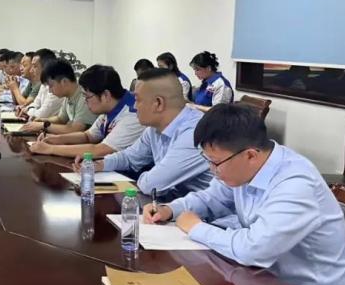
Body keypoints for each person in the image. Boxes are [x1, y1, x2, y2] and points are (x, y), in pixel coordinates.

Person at [143, 104, 345, 285]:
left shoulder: (295, 183)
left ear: (250, 155)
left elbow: (254, 249)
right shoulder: (244, 166)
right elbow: (212, 198)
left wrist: (196, 227)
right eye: (208, 161)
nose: (212, 171)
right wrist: (171, 209)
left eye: (216, 163)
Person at [77, 68, 212, 199]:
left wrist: (143, 178)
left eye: (137, 99)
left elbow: (152, 185)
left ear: (158, 103)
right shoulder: (154, 128)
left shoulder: (195, 132)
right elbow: (130, 157)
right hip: (176, 204)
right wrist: (101, 164)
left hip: (206, 212)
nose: (135, 106)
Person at [30, 65, 144, 159]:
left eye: (87, 97)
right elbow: (88, 136)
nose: (85, 101)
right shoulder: (109, 108)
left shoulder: (132, 115)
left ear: (105, 95)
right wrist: (55, 139)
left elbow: (100, 150)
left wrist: (50, 149)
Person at [20, 59, 95, 135]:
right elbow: (61, 119)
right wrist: (42, 120)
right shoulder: (68, 96)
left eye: (51, 86)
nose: (50, 91)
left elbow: (75, 129)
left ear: (64, 82)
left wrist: (43, 125)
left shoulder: (84, 97)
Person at [22, 48, 64, 120]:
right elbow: (36, 103)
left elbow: (41, 115)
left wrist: (27, 110)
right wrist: (28, 109)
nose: (31, 70)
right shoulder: (44, 84)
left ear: (46, 67)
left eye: (35, 66)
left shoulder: (57, 86)